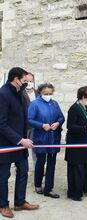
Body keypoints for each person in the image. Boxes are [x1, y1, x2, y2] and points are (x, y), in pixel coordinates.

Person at [0, 67, 39, 219]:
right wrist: (20, 140)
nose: (26, 84)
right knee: (3, 176)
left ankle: (20, 202)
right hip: (6, 144)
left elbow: (23, 118)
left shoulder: (19, 94)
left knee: (23, 171)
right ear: (15, 79)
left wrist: (27, 137)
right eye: (24, 80)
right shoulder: (3, 94)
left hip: (21, 143)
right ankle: (3, 205)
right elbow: (1, 123)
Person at [28, 83, 65, 198]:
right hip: (41, 138)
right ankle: (38, 185)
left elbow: (61, 117)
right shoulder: (34, 104)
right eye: (46, 93)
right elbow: (29, 120)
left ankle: (49, 188)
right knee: (40, 162)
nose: (48, 95)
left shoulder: (54, 103)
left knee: (52, 163)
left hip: (54, 137)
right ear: (40, 93)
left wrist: (58, 123)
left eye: (50, 93)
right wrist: (42, 125)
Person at [65, 86, 87, 201]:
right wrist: (85, 129)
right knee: (77, 169)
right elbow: (70, 126)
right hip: (76, 144)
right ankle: (75, 193)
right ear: (83, 97)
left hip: (86, 143)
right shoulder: (74, 108)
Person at [23, 72, 38, 170]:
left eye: (30, 81)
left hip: (35, 126)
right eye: (26, 81)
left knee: (35, 149)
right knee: (22, 149)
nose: (29, 83)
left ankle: (37, 168)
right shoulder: (19, 93)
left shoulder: (38, 93)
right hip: (24, 125)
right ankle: (19, 168)